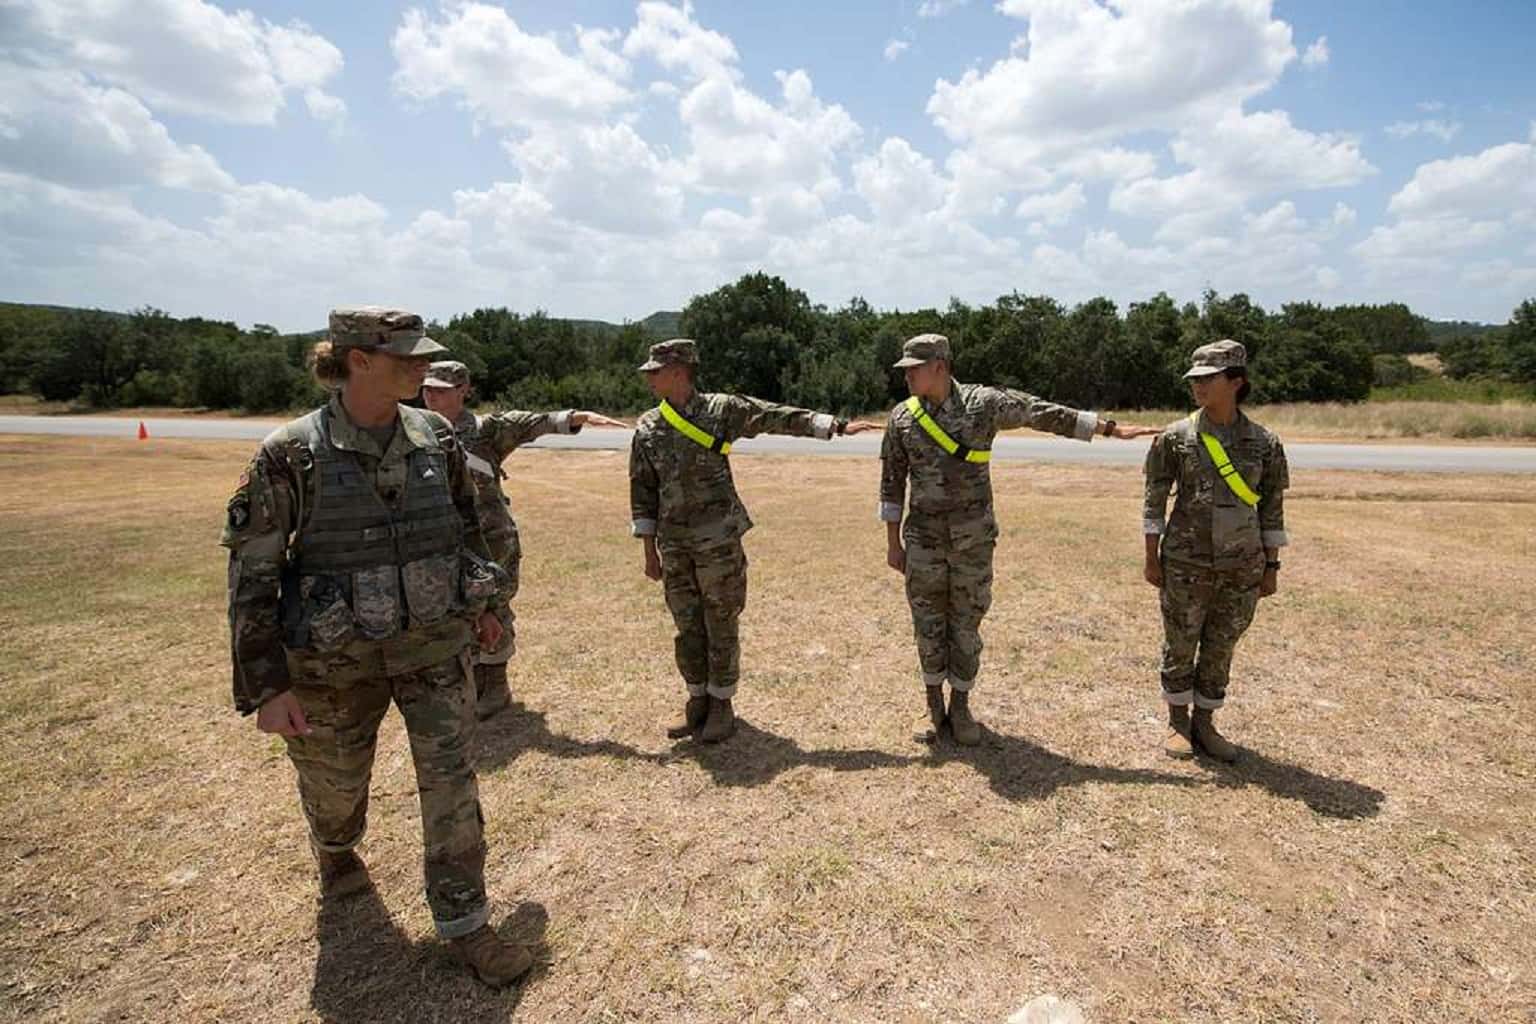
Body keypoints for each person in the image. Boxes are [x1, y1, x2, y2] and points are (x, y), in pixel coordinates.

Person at [221, 307, 530, 988]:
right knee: (336, 791)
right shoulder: (290, 454)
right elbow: (253, 576)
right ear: (357, 360)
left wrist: (481, 607)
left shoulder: (437, 440)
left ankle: (466, 920)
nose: (422, 368)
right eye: (407, 357)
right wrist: (268, 688)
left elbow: (466, 531)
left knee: (452, 784)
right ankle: (334, 851)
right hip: (334, 663)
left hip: (433, 647)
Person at [880, 333, 1158, 745]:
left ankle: (960, 705)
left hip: (973, 540)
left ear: (939, 365)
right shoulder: (902, 417)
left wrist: (1108, 427)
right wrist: (893, 544)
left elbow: (1040, 412)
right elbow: (891, 484)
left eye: (913, 368)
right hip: (923, 541)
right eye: (904, 369)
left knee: (966, 623)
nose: (906, 376)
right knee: (927, 623)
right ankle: (931, 705)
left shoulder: (983, 404)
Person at [628, 338, 881, 743]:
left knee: (720, 621)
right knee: (686, 624)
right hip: (674, 545)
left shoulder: (721, 411)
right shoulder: (648, 426)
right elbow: (642, 490)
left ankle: (722, 703)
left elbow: (773, 416)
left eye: (655, 371)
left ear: (678, 371)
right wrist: (648, 550)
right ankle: (697, 699)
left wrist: (831, 425)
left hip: (719, 540)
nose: (648, 378)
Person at [420, 360, 626, 719]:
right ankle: (469, 682)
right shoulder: (415, 431)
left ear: (464, 391)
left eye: (441, 389)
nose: (431, 395)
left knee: (494, 607)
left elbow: (534, 422)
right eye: (427, 388)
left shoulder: (486, 430)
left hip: (489, 539)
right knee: (453, 611)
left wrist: (579, 416)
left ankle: (495, 685)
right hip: (441, 540)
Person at [1142, 339, 1290, 762]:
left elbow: (1272, 510)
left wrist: (1272, 566)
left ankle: (1206, 725)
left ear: (1236, 382)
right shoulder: (1175, 438)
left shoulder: (1265, 443)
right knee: (1181, 642)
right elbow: (1153, 501)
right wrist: (1151, 557)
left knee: (1222, 645)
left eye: (1209, 379)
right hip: (1186, 564)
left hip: (1242, 567)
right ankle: (1177, 723)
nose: (1198, 387)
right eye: (1195, 380)